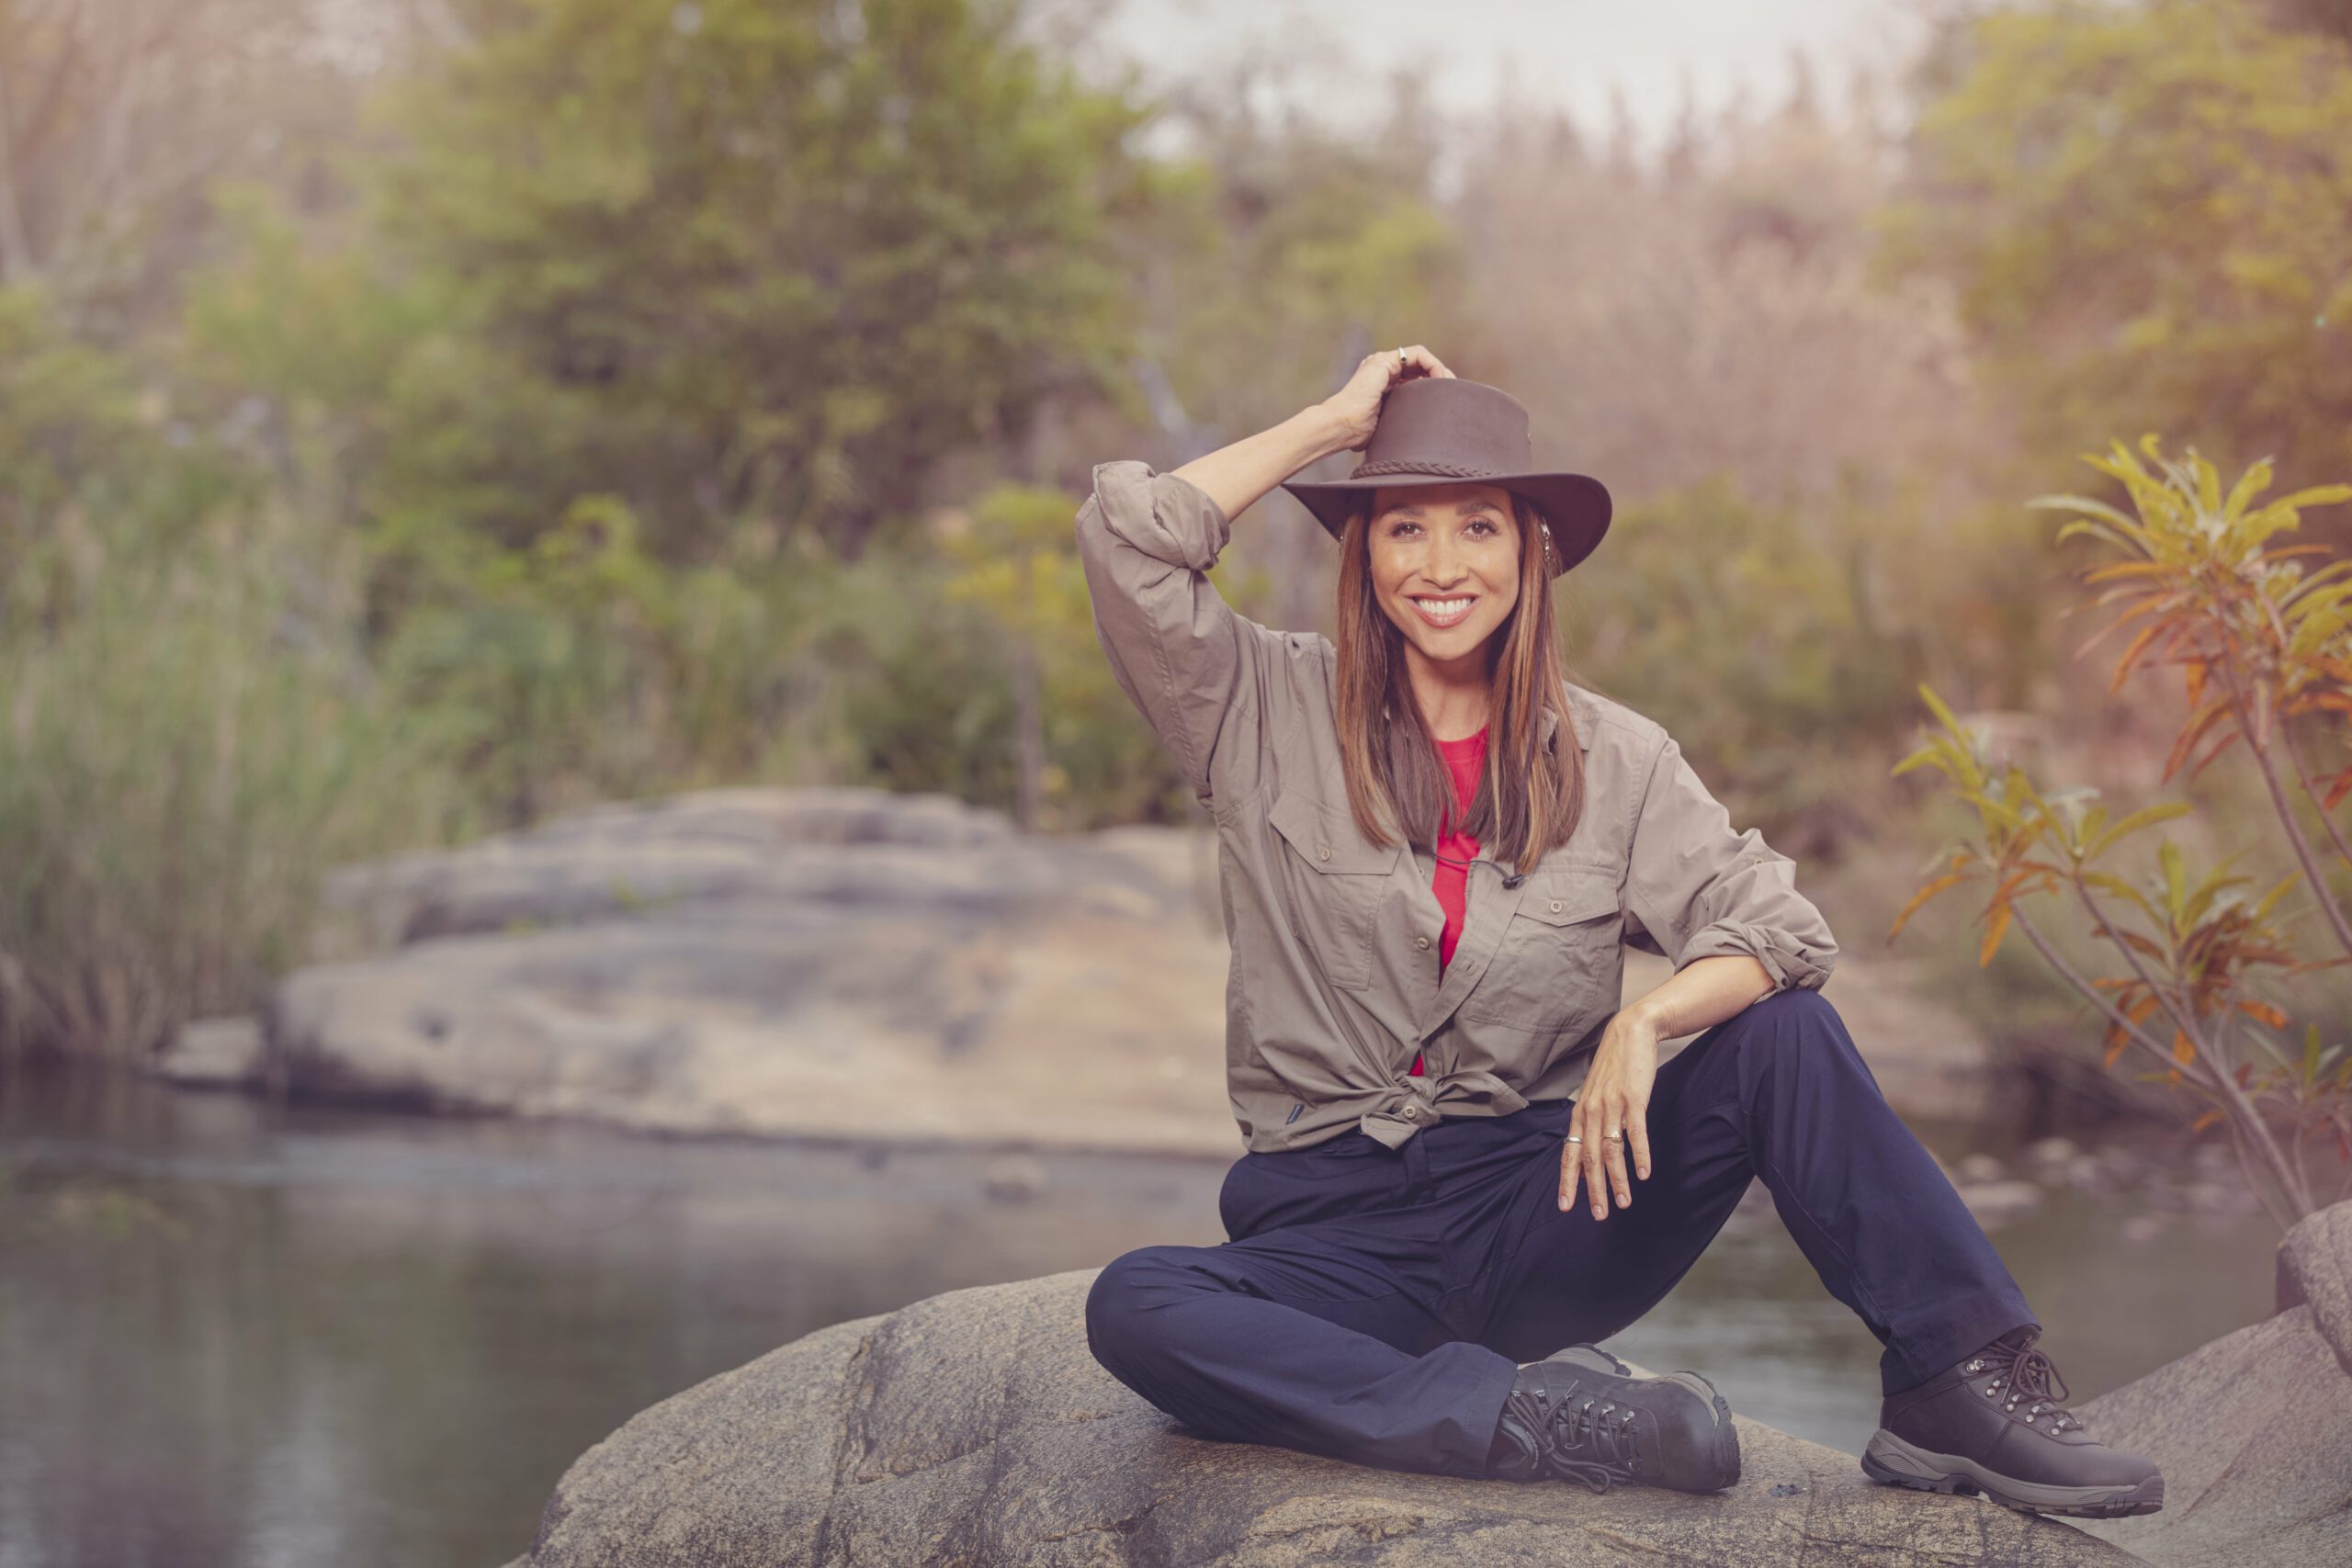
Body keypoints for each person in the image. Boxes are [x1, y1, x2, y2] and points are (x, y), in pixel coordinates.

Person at [1071, 346, 2165, 1517]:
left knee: (1785, 1035)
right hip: (1328, 1236)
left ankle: (1956, 1388)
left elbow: (1777, 928)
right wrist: (1330, 420)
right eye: (1403, 529)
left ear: (1530, 554)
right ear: (1363, 552)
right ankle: (1528, 1421)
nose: (1441, 567)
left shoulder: (1618, 758)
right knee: (1135, 1303)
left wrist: (1650, 1017)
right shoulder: (1254, 705)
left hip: (1546, 1214)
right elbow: (1129, 538)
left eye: (1478, 528)